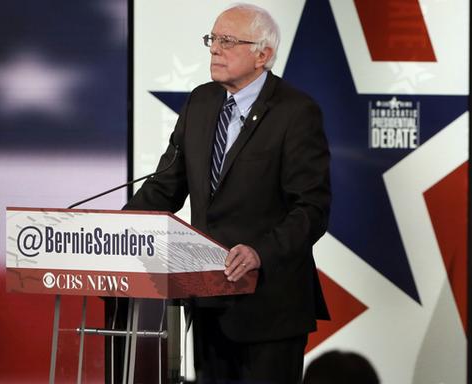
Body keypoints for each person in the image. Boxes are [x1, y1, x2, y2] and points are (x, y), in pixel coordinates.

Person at [124, 4, 330, 383]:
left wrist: (259, 253)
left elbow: (311, 208)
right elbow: (166, 184)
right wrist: (117, 233)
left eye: (228, 41)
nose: (215, 49)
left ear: (263, 54)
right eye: (213, 39)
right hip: (206, 301)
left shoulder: (296, 112)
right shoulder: (200, 102)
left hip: (270, 308)